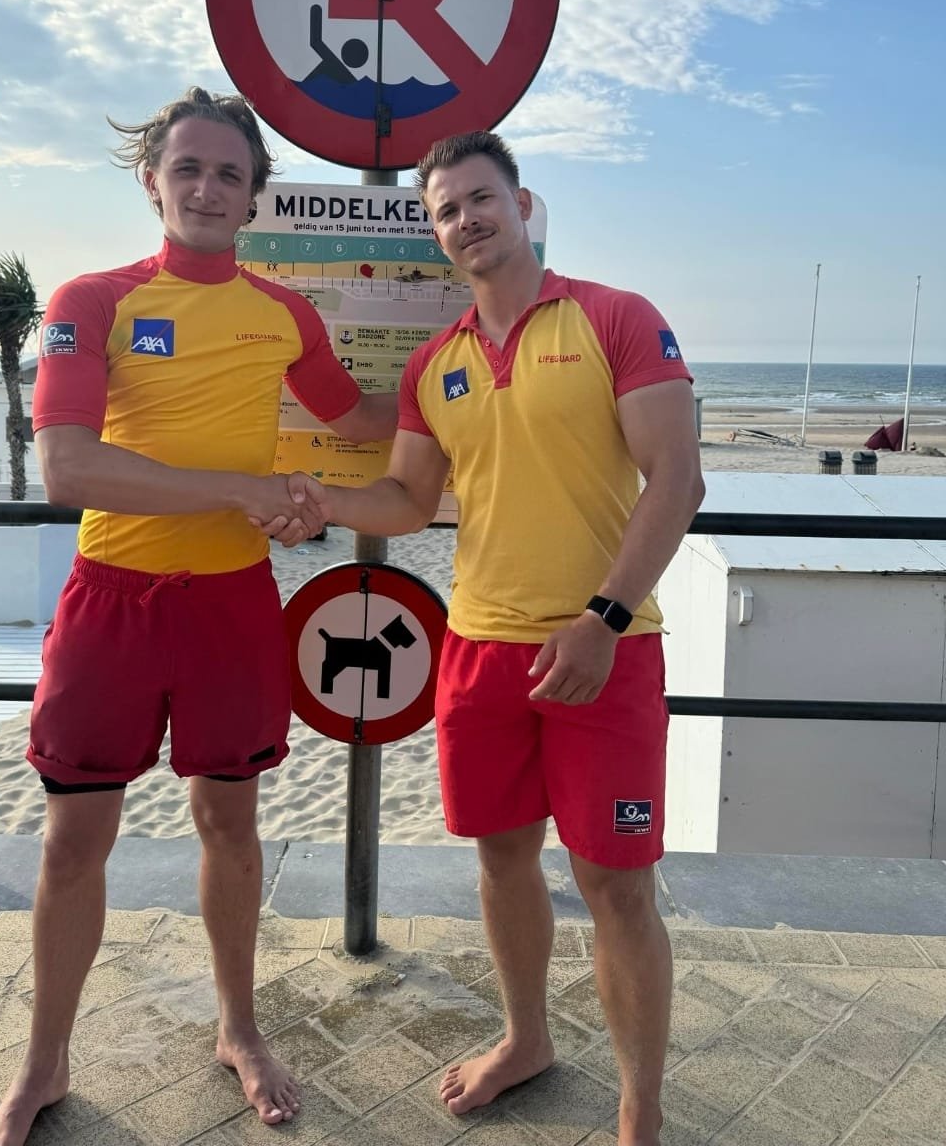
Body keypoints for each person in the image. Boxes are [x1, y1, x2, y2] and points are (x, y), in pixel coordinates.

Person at [0, 87, 396, 1146]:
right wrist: (238, 487)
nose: (208, 188)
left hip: (230, 605)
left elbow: (357, 420)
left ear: (253, 198)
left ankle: (239, 1030)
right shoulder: (94, 298)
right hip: (113, 599)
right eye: (190, 168)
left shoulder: (279, 311)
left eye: (230, 174)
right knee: (73, 842)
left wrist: (494, 388)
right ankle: (43, 1061)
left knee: (230, 827)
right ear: (152, 179)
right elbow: (70, 468)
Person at [276, 130, 704, 1146]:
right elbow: (406, 497)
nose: (464, 220)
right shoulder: (438, 362)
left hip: (607, 644)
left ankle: (639, 1107)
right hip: (477, 647)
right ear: (434, 233)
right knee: (502, 859)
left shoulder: (614, 318)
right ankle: (525, 1039)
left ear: (520, 204)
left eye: (479, 199)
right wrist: (306, 503)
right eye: (444, 211)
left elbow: (677, 479)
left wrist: (600, 618)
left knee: (614, 883)